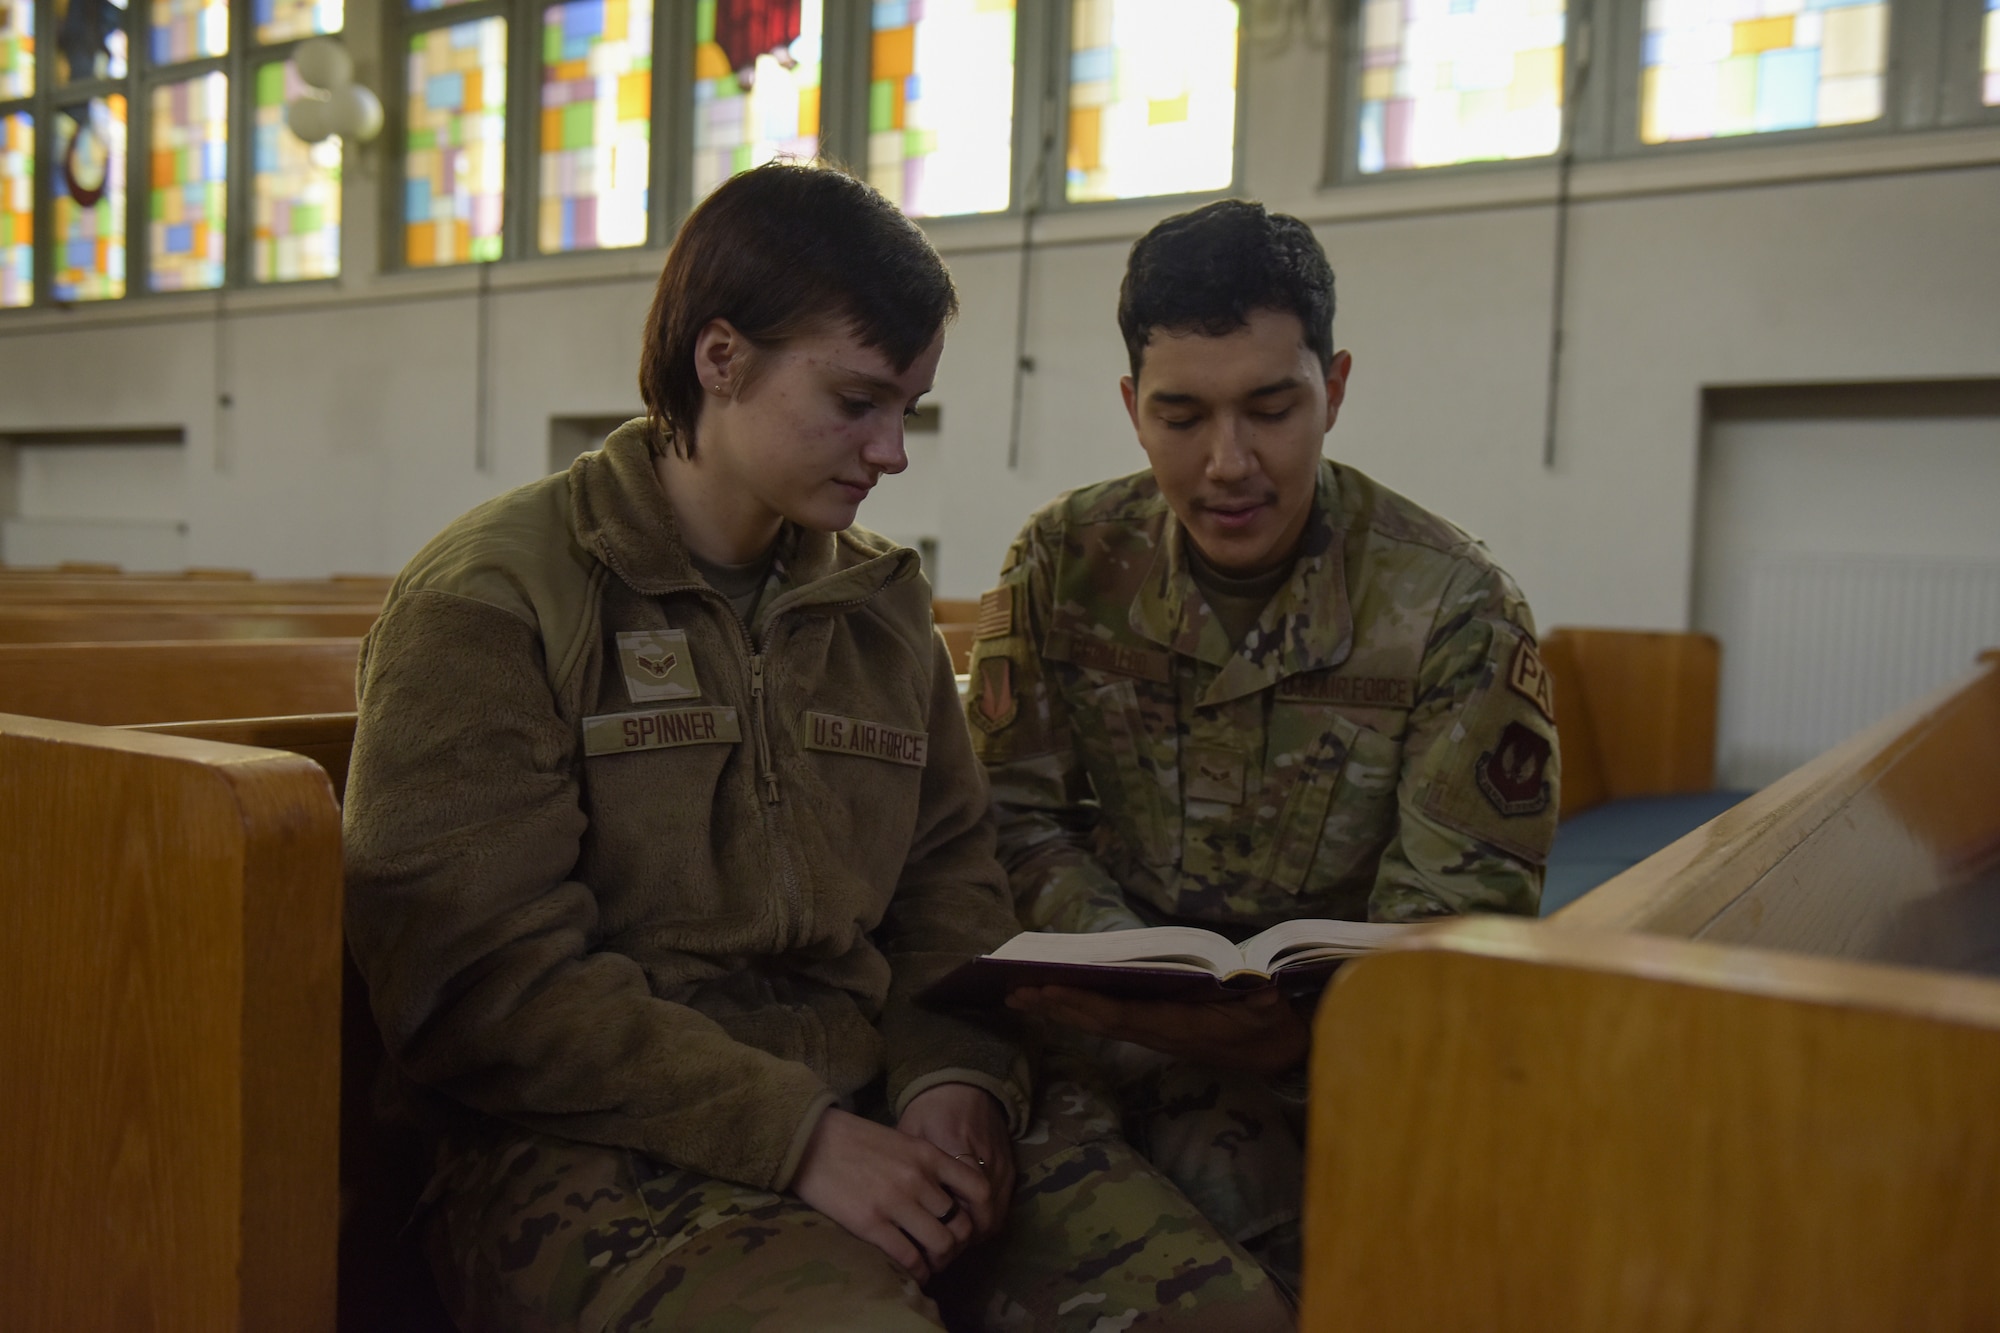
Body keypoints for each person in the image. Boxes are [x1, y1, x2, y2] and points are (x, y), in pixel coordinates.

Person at [342, 165, 1291, 1333]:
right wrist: (793, 1138)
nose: (891, 451)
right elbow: (478, 984)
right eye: (856, 403)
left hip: (873, 1090)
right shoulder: (499, 598)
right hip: (595, 1142)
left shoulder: (875, 606)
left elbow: (948, 884)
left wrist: (955, 1079)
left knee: (1218, 1317)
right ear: (720, 356)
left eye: (908, 407)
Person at [967, 199, 1560, 1300]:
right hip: (1096, 1035)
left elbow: (1445, 934)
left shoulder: (1448, 608)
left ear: (1332, 389)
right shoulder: (1064, 560)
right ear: (1130, 408)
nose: (1226, 462)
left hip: (1339, 1073)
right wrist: (1128, 972)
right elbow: (1007, 814)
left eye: (1269, 408)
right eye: (1180, 415)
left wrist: (1282, 1036)